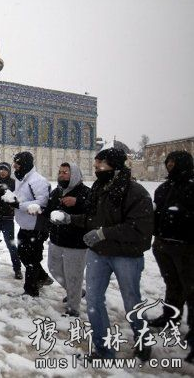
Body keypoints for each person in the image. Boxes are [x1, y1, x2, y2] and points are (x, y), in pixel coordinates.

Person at [52, 148, 154, 361]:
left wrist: (103, 233)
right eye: (96, 166)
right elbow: (92, 218)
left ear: (115, 167)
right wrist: (71, 219)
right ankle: (104, 349)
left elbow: (140, 229)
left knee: (131, 300)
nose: (97, 170)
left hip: (126, 255)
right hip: (99, 254)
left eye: (101, 166)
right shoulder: (99, 189)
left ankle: (143, 339)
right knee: (94, 301)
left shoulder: (135, 192)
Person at [148, 150, 194, 363]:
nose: (169, 166)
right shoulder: (164, 188)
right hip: (164, 244)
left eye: (173, 162)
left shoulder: (192, 187)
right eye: (168, 162)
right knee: (172, 283)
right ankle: (171, 316)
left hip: (187, 247)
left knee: (191, 289)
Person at [44, 162, 90, 317]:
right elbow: (49, 211)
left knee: (73, 275)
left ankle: (73, 307)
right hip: (57, 239)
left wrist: (78, 202)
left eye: (65, 172)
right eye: (60, 171)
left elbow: (93, 216)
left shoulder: (85, 193)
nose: (61, 174)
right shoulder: (57, 192)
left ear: (74, 175)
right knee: (54, 268)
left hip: (76, 243)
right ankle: (76, 291)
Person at [4, 151, 53, 297]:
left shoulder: (37, 181)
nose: (14, 166)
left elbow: (42, 203)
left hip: (37, 226)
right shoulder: (22, 178)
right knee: (23, 254)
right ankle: (43, 277)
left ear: (24, 164)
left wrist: (18, 205)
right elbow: (23, 197)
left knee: (32, 258)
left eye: (17, 164)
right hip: (26, 225)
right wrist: (12, 199)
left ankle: (31, 291)